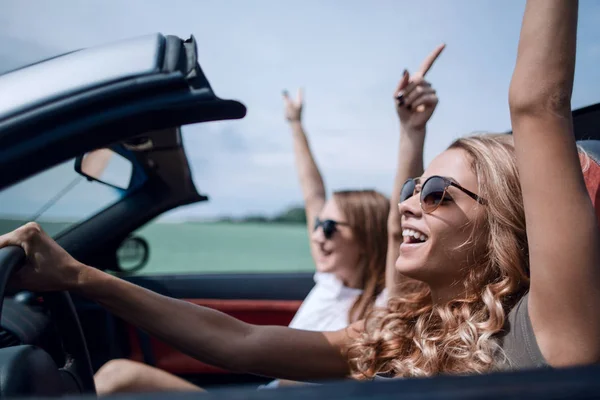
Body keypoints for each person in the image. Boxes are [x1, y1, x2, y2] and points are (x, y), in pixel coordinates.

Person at [2, 0, 598, 389]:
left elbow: (537, 105)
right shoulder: (398, 333)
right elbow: (240, 342)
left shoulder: (543, 331)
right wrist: (83, 278)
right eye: (413, 187)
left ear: (503, 225)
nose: (410, 201)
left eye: (438, 192)